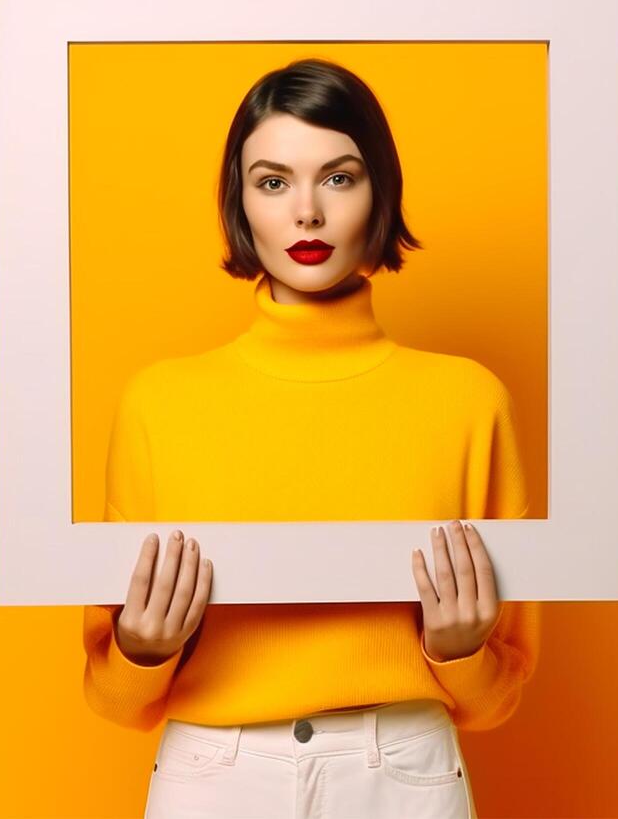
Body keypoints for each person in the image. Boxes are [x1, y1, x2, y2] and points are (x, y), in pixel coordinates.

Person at [81, 57, 540, 818]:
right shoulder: (158, 403)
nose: (306, 214)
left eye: (337, 177)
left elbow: (499, 697)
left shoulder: (468, 401)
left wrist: (458, 652)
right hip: (213, 775)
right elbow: (110, 695)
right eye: (272, 182)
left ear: (378, 192)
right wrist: (144, 650)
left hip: (403, 770)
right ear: (241, 202)